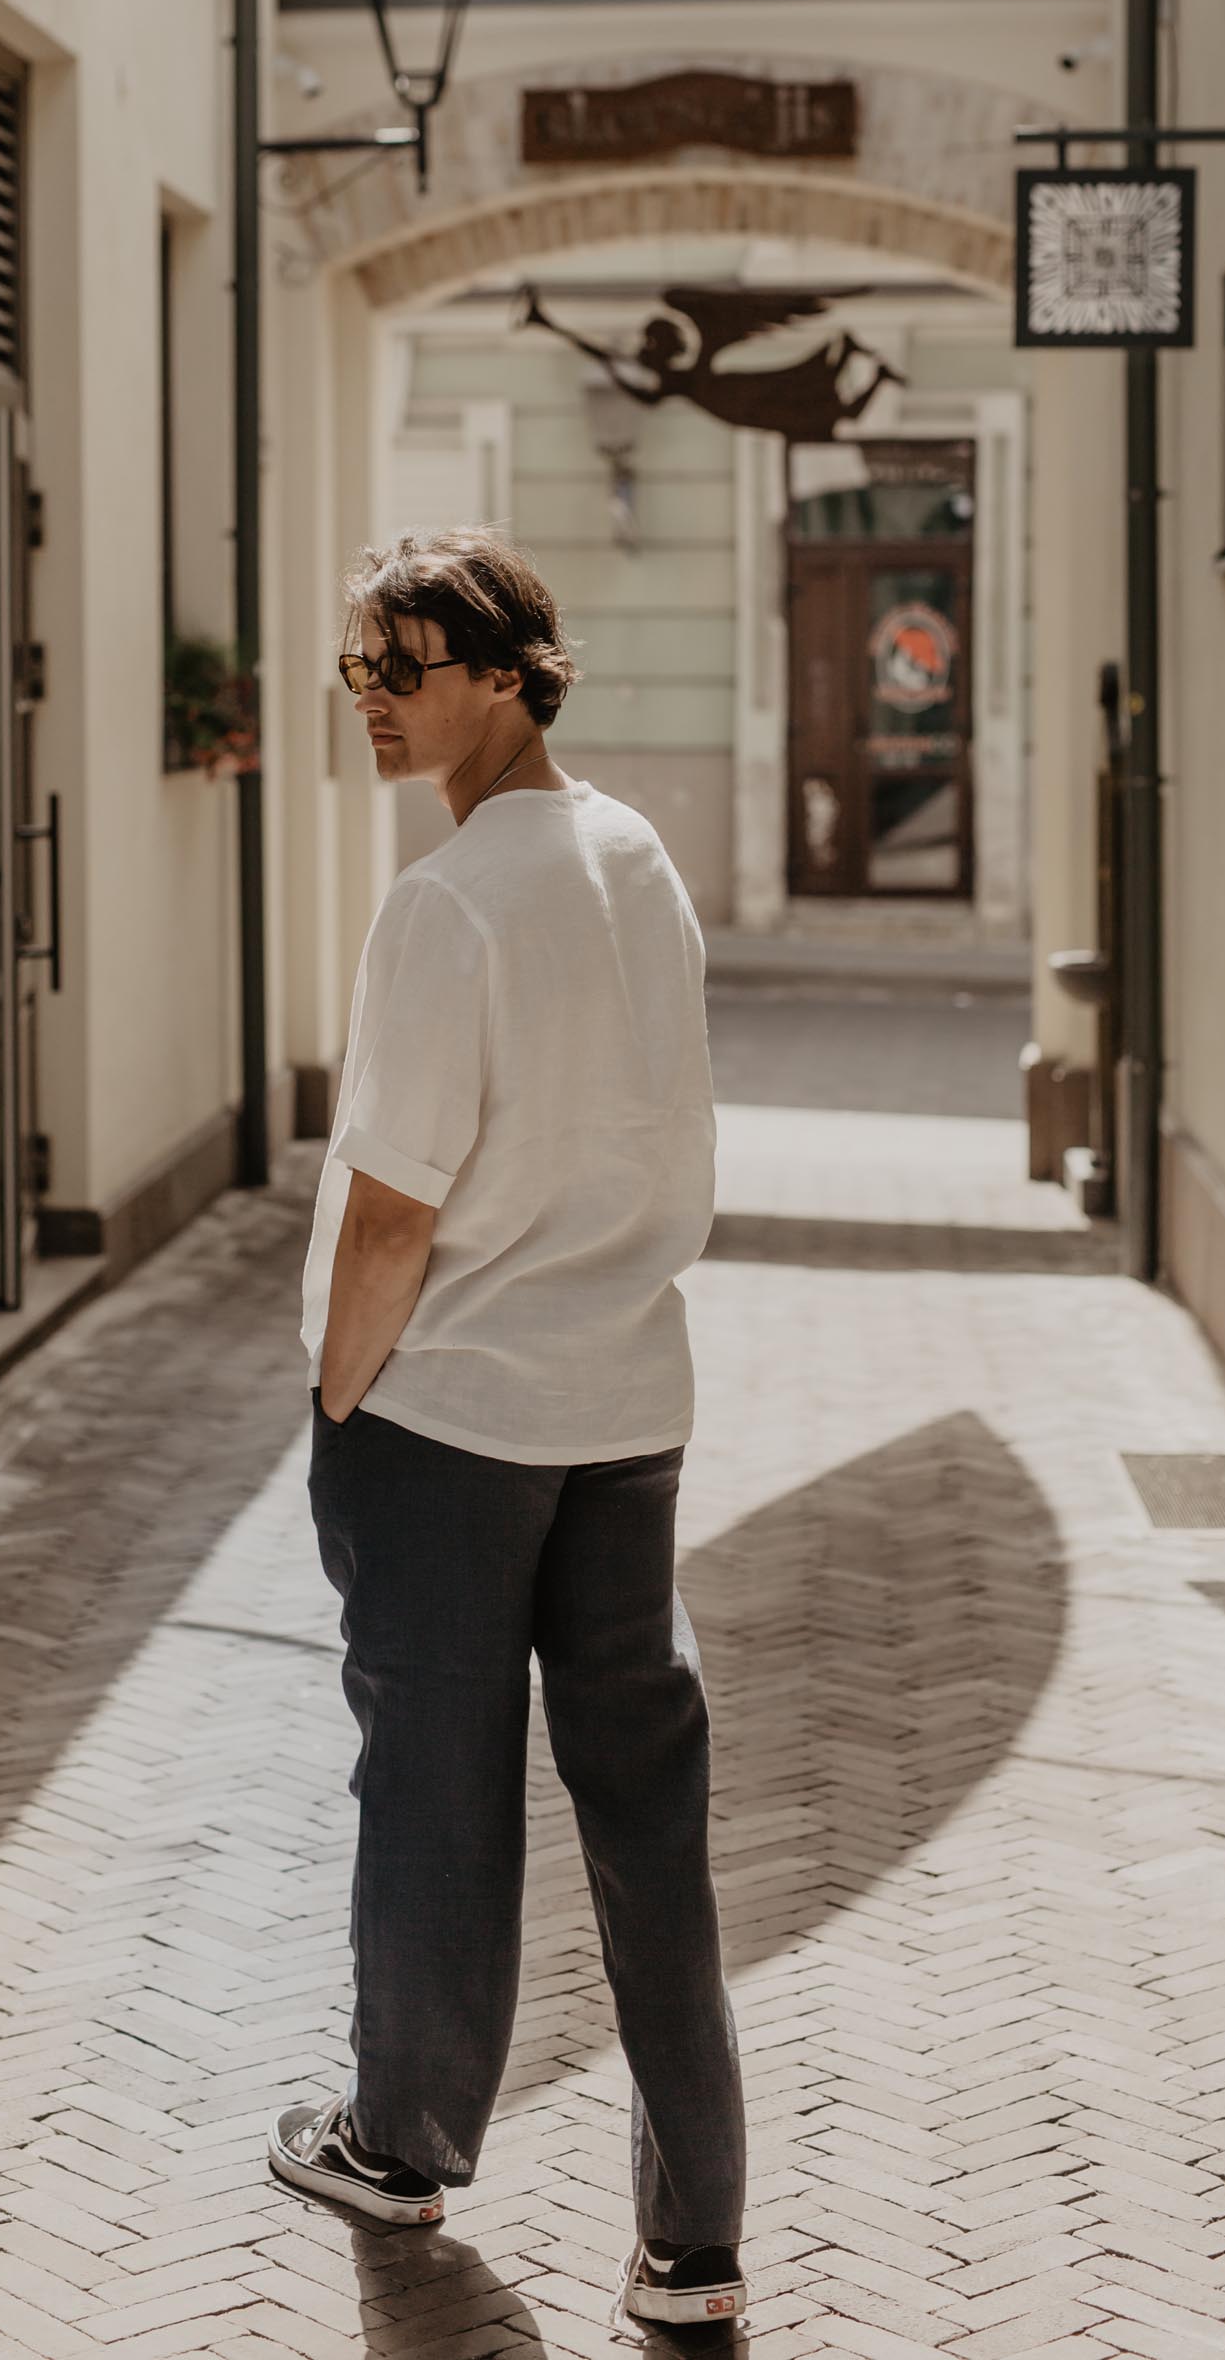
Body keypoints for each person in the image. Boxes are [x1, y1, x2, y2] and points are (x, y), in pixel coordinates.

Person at [267, 527, 748, 2333]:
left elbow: (393, 1210)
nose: (374, 703)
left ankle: (400, 2143)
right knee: (650, 1815)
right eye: (357, 672)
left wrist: (336, 1390)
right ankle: (695, 2246)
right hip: (627, 1406)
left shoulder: (449, 902)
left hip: (451, 1417)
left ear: (508, 672)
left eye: (404, 667)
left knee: (437, 1800)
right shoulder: (638, 859)